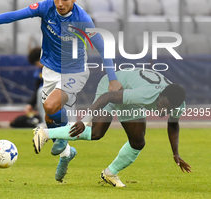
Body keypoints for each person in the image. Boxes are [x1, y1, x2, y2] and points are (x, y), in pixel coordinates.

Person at [0, 0, 122, 180]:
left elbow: (103, 47)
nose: (59, 3)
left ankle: (61, 139)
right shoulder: (46, 8)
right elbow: (14, 16)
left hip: (74, 72)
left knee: (51, 106)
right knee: (48, 115)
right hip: (51, 70)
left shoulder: (83, 20)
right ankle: (67, 153)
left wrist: (113, 78)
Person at [33, 68, 192, 186]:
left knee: (138, 142)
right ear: (161, 95)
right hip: (112, 88)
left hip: (130, 94)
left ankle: (110, 173)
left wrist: (175, 153)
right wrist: (85, 120)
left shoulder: (178, 104)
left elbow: (173, 125)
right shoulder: (144, 94)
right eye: (162, 104)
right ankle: (45, 133)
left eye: (168, 109)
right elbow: (108, 97)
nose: (163, 110)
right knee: (96, 132)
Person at [24, 47, 46, 126]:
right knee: (41, 91)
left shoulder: (56, 67)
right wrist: (31, 104)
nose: (37, 64)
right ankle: (45, 122)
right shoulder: (39, 72)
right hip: (45, 95)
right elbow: (37, 90)